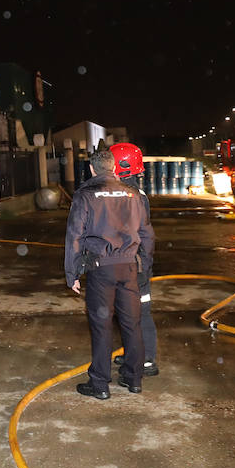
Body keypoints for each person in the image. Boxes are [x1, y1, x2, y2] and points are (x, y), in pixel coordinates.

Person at [64, 141, 154, 399]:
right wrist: (144, 268)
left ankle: (100, 384)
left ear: (92, 170)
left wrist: (72, 274)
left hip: (101, 269)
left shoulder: (85, 195)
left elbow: (75, 236)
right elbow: (147, 234)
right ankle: (134, 379)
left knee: (102, 325)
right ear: (114, 168)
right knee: (132, 324)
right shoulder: (133, 195)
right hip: (129, 268)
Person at [110, 142, 159, 378]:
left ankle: (147, 360)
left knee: (140, 313)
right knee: (129, 313)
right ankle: (134, 353)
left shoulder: (124, 197)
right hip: (136, 264)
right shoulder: (136, 194)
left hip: (133, 265)